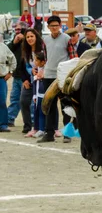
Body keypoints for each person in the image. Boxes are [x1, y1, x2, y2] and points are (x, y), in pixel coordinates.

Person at [39, 15, 70, 143]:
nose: (54, 28)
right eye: (52, 26)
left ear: (60, 25)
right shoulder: (45, 40)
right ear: (48, 27)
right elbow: (45, 58)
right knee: (49, 105)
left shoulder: (66, 39)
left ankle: (67, 133)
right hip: (48, 76)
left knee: (66, 105)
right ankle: (49, 133)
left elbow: (73, 56)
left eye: (56, 25)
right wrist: (42, 70)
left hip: (62, 76)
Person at [20, 28, 46, 138]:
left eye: (32, 36)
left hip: (42, 80)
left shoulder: (43, 48)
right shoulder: (25, 51)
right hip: (30, 80)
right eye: (27, 37)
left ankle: (46, 128)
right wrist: (25, 80)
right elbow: (21, 67)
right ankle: (28, 126)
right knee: (24, 101)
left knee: (43, 104)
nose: (30, 39)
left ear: (36, 37)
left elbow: (47, 62)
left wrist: (42, 72)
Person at [6, 21, 28, 130]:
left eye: (19, 29)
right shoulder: (15, 41)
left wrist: (25, 39)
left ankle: (32, 120)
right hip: (16, 76)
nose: (17, 32)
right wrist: (14, 42)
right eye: (16, 29)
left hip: (27, 77)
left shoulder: (29, 39)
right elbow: (7, 51)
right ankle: (10, 119)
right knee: (14, 99)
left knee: (28, 100)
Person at [0, 40, 16, 132]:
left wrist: (10, 72)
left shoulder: (3, 46)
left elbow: (12, 59)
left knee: (1, 101)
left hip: (1, 78)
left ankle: (3, 125)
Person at [31, 51, 46, 138]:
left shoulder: (46, 71)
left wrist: (42, 77)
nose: (34, 62)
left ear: (43, 62)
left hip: (43, 95)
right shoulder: (35, 70)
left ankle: (42, 130)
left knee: (42, 113)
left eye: (36, 60)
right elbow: (34, 84)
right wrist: (34, 95)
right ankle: (37, 128)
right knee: (36, 112)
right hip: (37, 95)